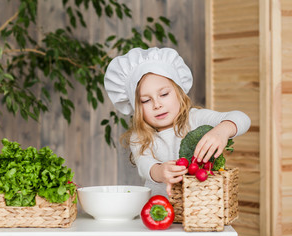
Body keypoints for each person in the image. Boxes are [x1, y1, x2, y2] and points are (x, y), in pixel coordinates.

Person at [104, 47, 251, 198]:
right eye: (146, 100)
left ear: (179, 92)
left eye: (164, 94)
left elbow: (242, 118)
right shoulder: (140, 136)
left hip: (202, 208)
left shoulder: (194, 118)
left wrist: (222, 131)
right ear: (136, 108)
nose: (157, 104)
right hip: (160, 210)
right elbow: (144, 166)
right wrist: (159, 172)